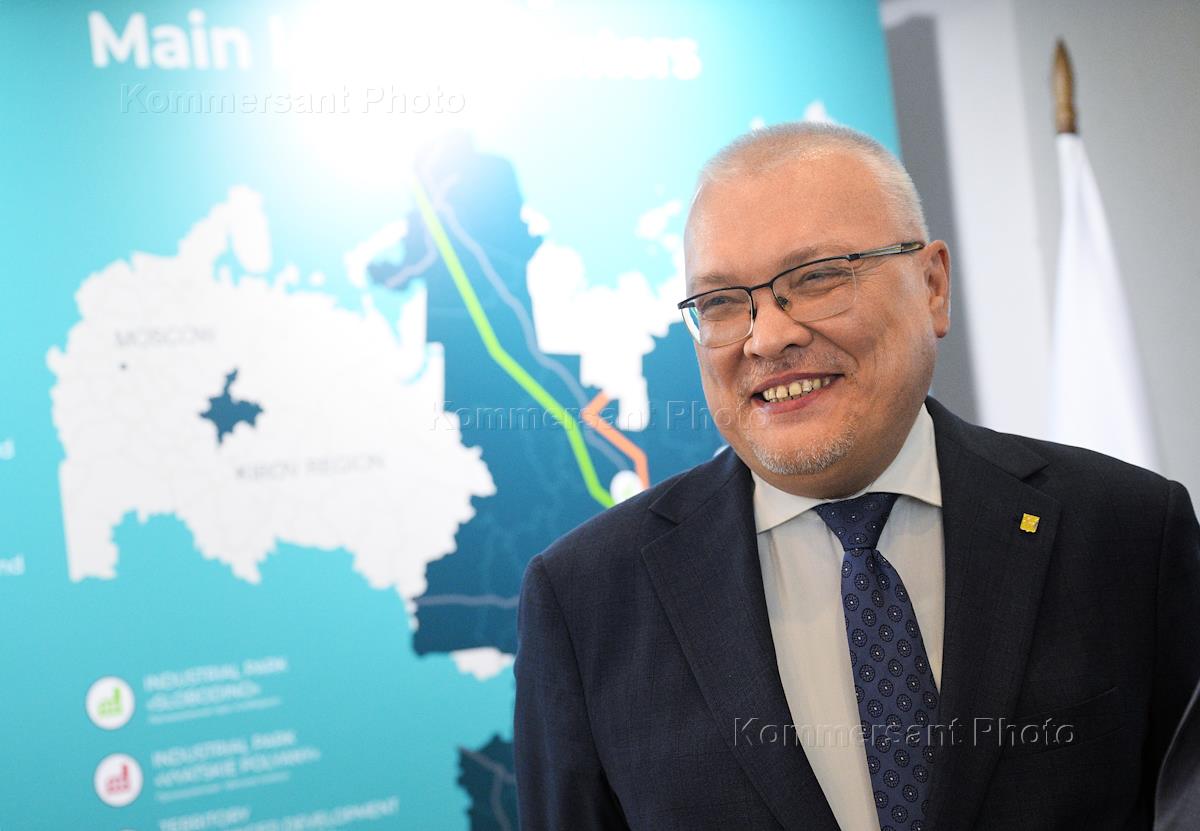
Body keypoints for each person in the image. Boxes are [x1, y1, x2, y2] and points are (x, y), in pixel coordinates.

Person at [512, 122, 1200, 830]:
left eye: (816, 278)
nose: (767, 336)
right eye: (721, 302)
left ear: (932, 286)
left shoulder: (1127, 531)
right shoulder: (586, 601)